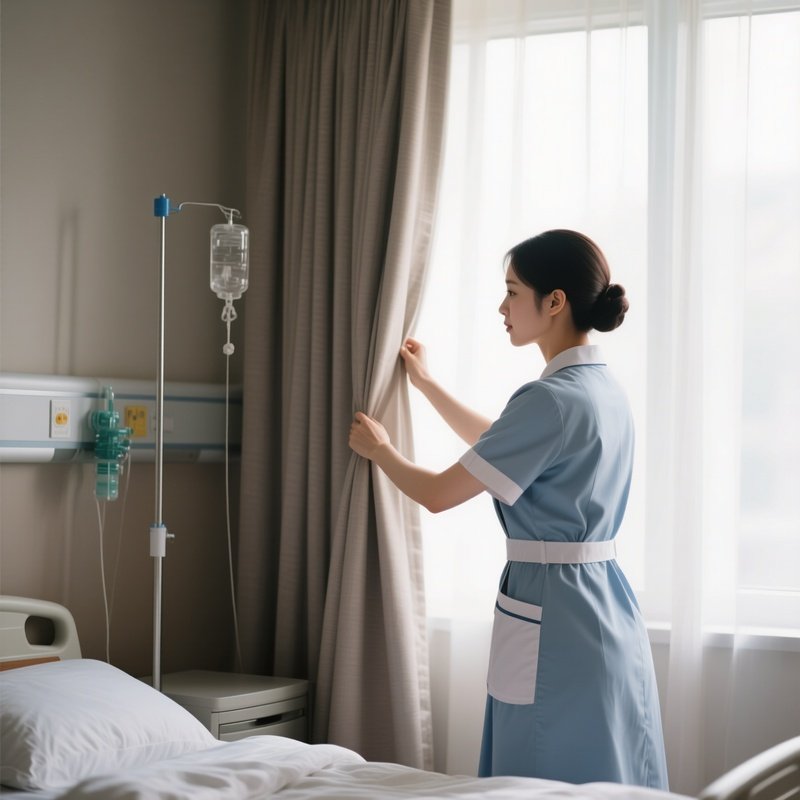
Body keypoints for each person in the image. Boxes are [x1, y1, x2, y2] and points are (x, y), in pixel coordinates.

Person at [349, 229, 668, 788]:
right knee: (604, 771)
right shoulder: (601, 389)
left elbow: (439, 494)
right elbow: (501, 444)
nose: (503, 307)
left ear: (555, 301)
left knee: (538, 777)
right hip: (606, 604)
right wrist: (427, 385)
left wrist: (382, 452)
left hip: (556, 611)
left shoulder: (549, 398)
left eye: (513, 292)